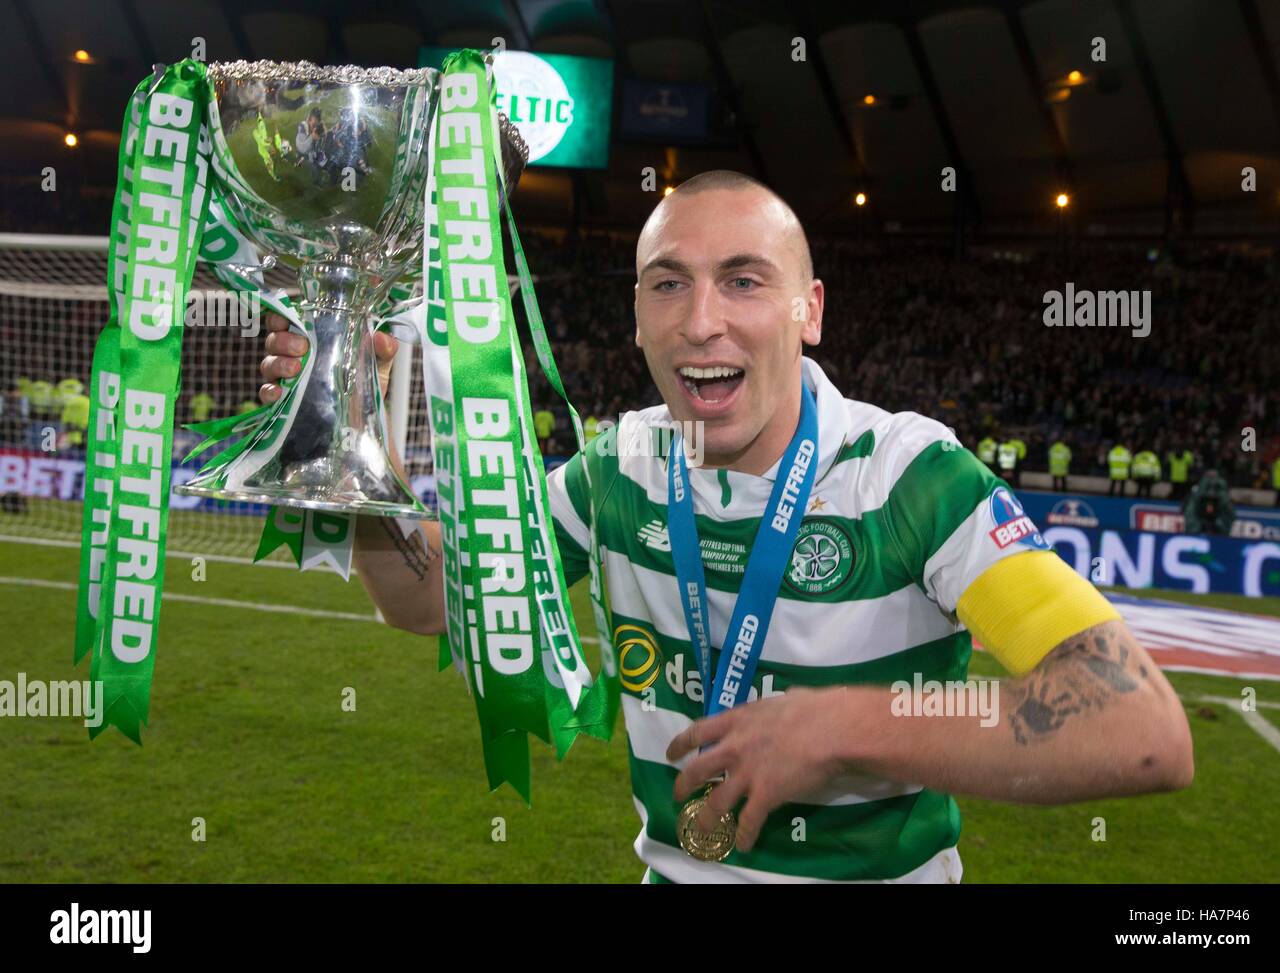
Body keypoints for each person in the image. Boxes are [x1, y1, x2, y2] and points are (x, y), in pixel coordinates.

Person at [257, 170, 1192, 884]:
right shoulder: (616, 471)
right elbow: (430, 601)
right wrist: (355, 443)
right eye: (667, 286)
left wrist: (843, 726)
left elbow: (1140, 724)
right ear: (634, 319)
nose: (702, 322)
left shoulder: (912, 476)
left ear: (808, 310)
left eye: (744, 281)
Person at [1183, 469, 1234, 535]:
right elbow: (1188, 513)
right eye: (1209, 477)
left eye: (1213, 477)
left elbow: (1230, 515)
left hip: (1218, 531)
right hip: (1198, 528)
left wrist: (1219, 524)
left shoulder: (1223, 495)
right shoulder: (1196, 495)